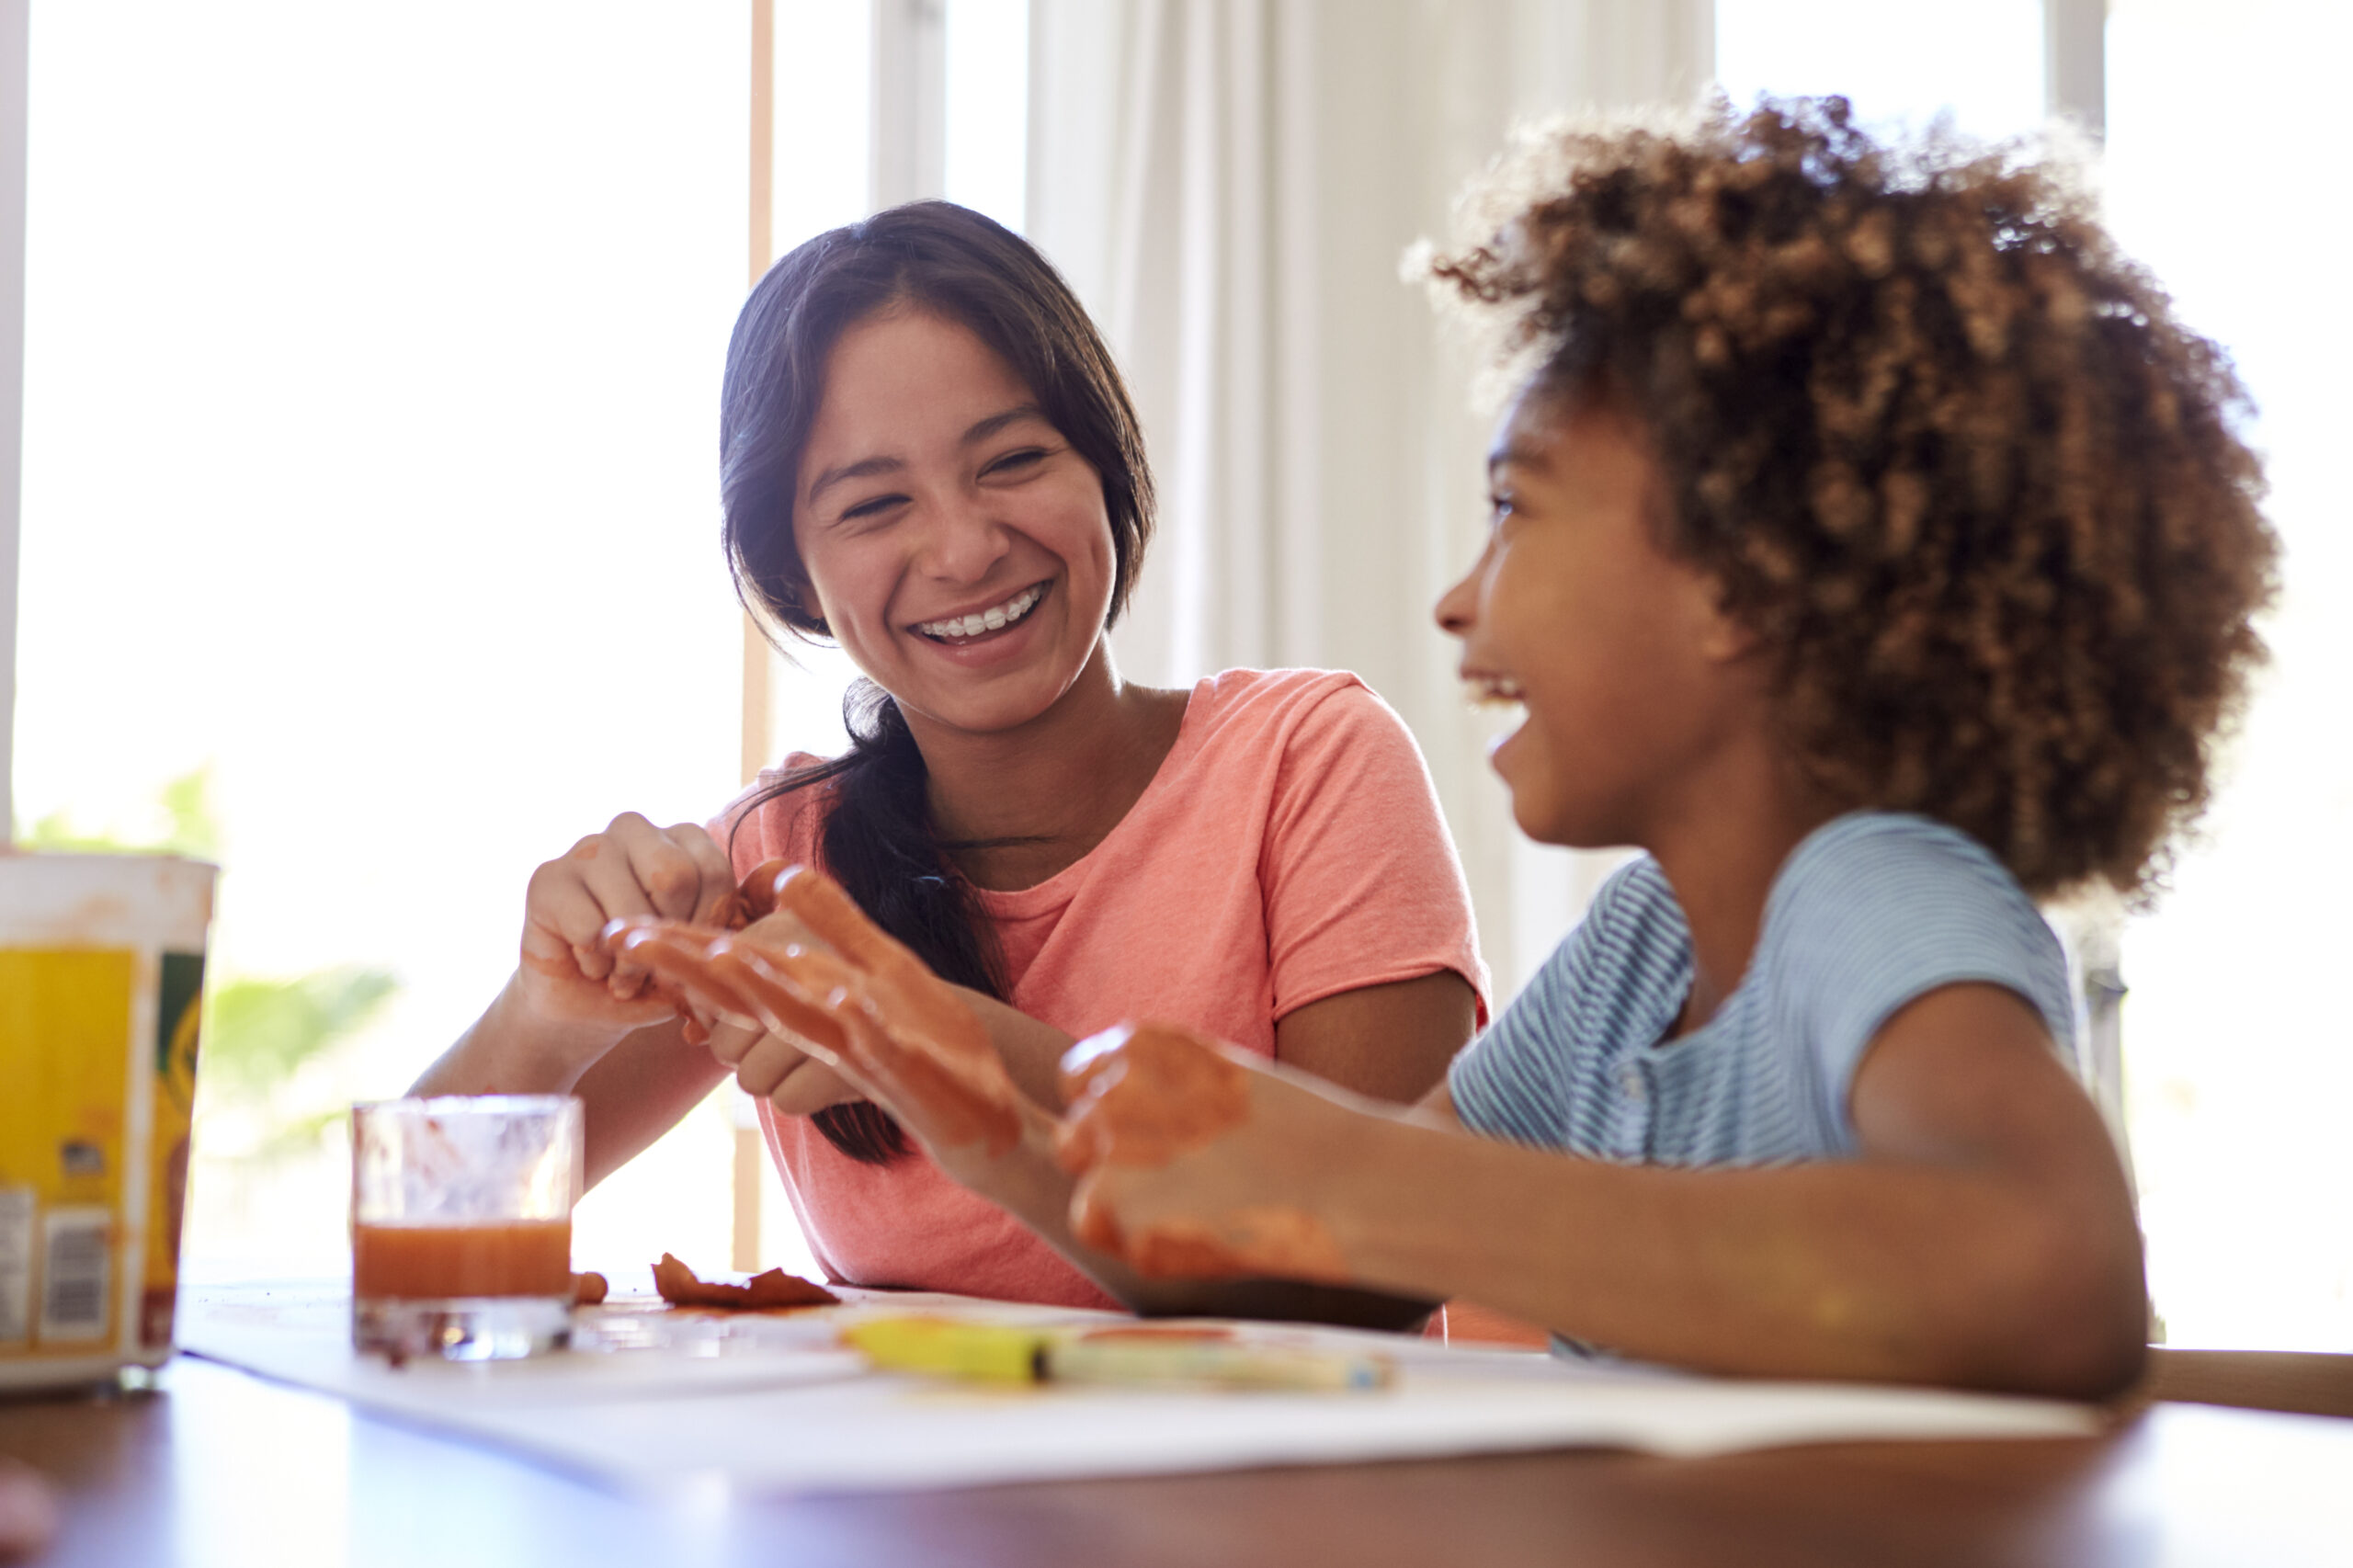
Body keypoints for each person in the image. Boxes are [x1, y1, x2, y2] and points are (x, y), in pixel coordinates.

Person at [631, 99, 2276, 1398]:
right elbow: (1306, 1247)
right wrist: (961, 1071)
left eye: (1514, 511)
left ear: (1742, 575)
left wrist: (1384, 1196)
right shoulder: (1635, 961)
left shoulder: (1868, 895)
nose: (1453, 596)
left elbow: (2049, 1269)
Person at [415, 201, 1485, 1315]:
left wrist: (927, 1037)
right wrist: (540, 1017)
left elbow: (1374, 1274)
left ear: (1105, 465)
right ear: (795, 571)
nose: (967, 548)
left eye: (1013, 459)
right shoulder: (775, 858)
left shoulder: (1308, 763)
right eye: (876, 503)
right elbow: (420, 1234)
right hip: (902, 1484)